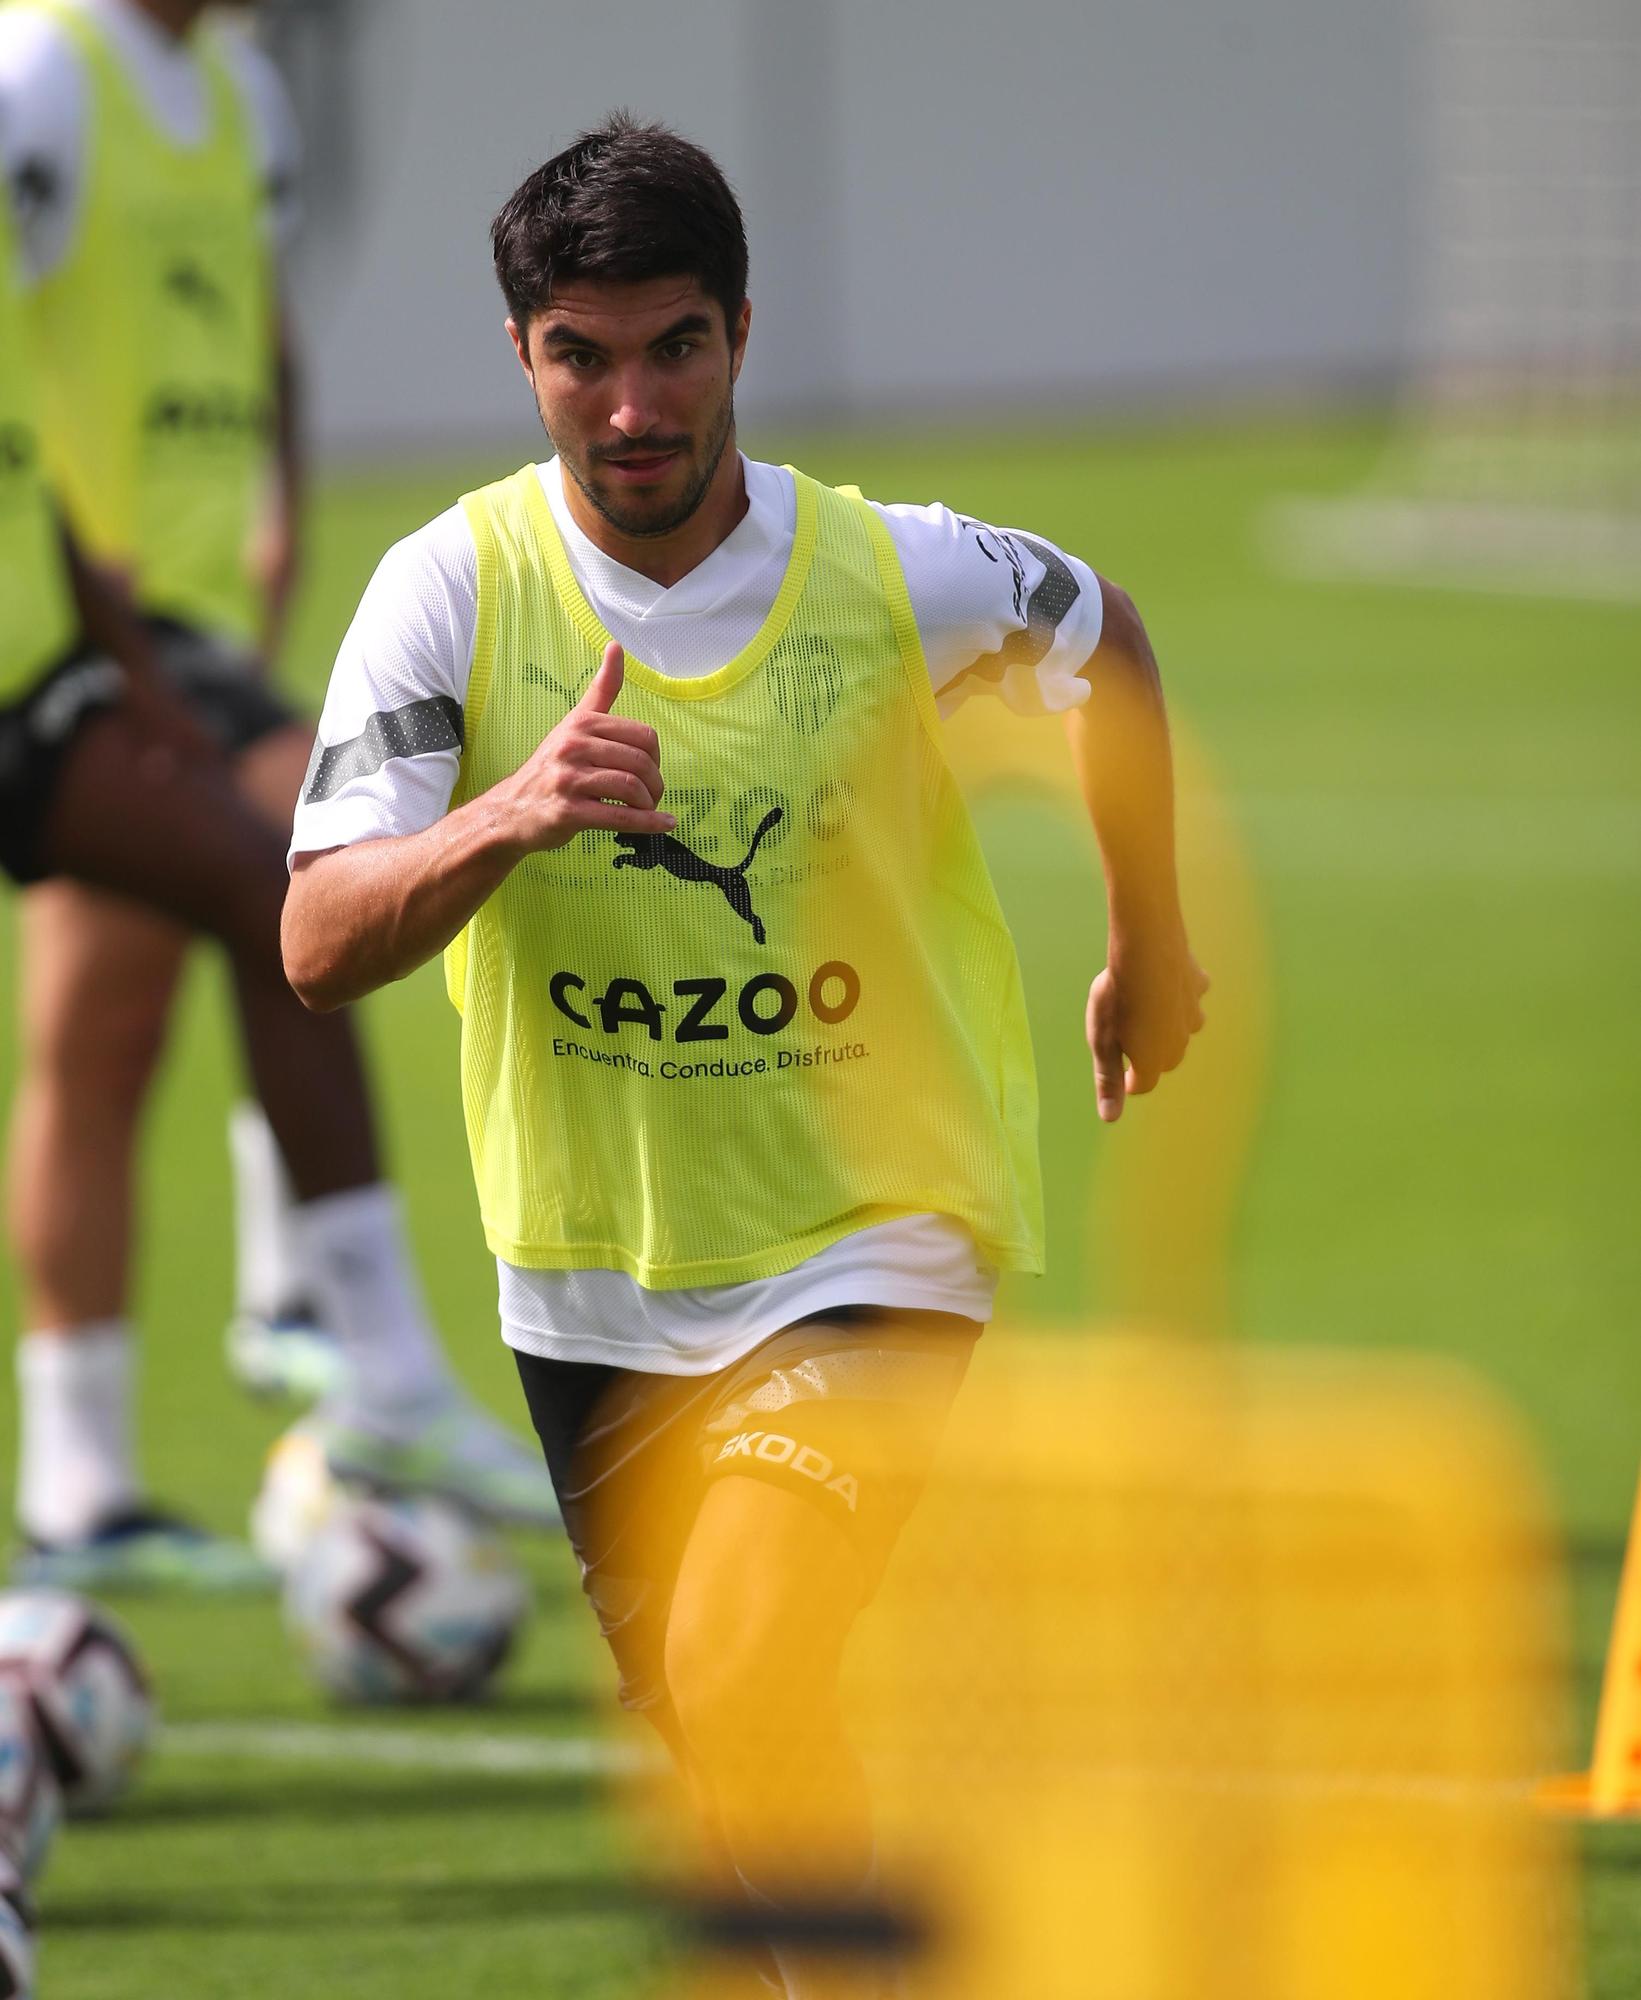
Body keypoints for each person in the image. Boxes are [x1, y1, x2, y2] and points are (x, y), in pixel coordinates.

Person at [282, 115, 1206, 1998]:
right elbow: (313, 943)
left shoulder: (887, 574)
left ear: (742, 336)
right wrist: (502, 818)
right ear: (523, 358)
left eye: (674, 345)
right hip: (596, 1286)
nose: (633, 405)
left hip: (877, 1228)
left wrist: (1151, 932)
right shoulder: (447, 595)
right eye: (583, 354)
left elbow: (1105, 638)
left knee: (744, 1668)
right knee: (731, 1756)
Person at [0, 0, 558, 1590]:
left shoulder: (239, 89)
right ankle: (317, 1323)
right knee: (301, 883)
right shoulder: (38, 72)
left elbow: (258, 324)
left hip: (123, 618)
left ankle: (89, 1480)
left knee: (128, 1014)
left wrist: (276, 519)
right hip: (86, 617)